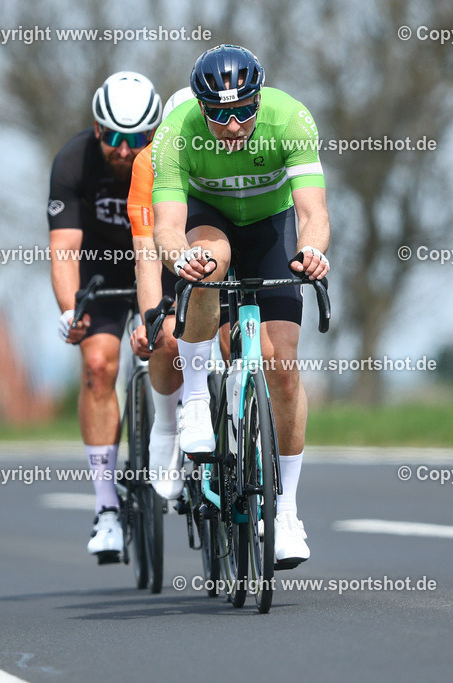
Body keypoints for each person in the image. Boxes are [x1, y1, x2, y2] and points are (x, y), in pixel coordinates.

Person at [151, 45, 331, 568]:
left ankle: (287, 511)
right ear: (202, 109)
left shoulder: (289, 117)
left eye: (244, 110)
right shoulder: (177, 131)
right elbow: (166, 224)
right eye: (219, 114)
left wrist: (313, 251)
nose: (232, 125)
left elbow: (312, 211)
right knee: (209, 262)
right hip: (211, 223)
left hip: (271, 228)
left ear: (259, 98)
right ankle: (196, 403)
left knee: (282, 366)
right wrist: (179, 257)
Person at [48, 71, 163, 562]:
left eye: (137, 139)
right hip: (101, 272)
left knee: (175, 346)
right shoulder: (73, 161)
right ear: (97, 129)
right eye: (115, 137)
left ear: (155, 133)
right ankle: (107, 509)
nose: (124, 149)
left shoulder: (169, 158)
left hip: (160, 263)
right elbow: (64, 249)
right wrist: (71, 310)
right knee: (98, 366)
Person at [126, 87, 196, 501]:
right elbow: (147, 256)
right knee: (167, 338)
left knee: (235, 338)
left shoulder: (227, 155)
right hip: (168, 262)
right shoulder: (148, 164)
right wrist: (151, 320)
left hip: (214, 255)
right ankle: (167, 424)